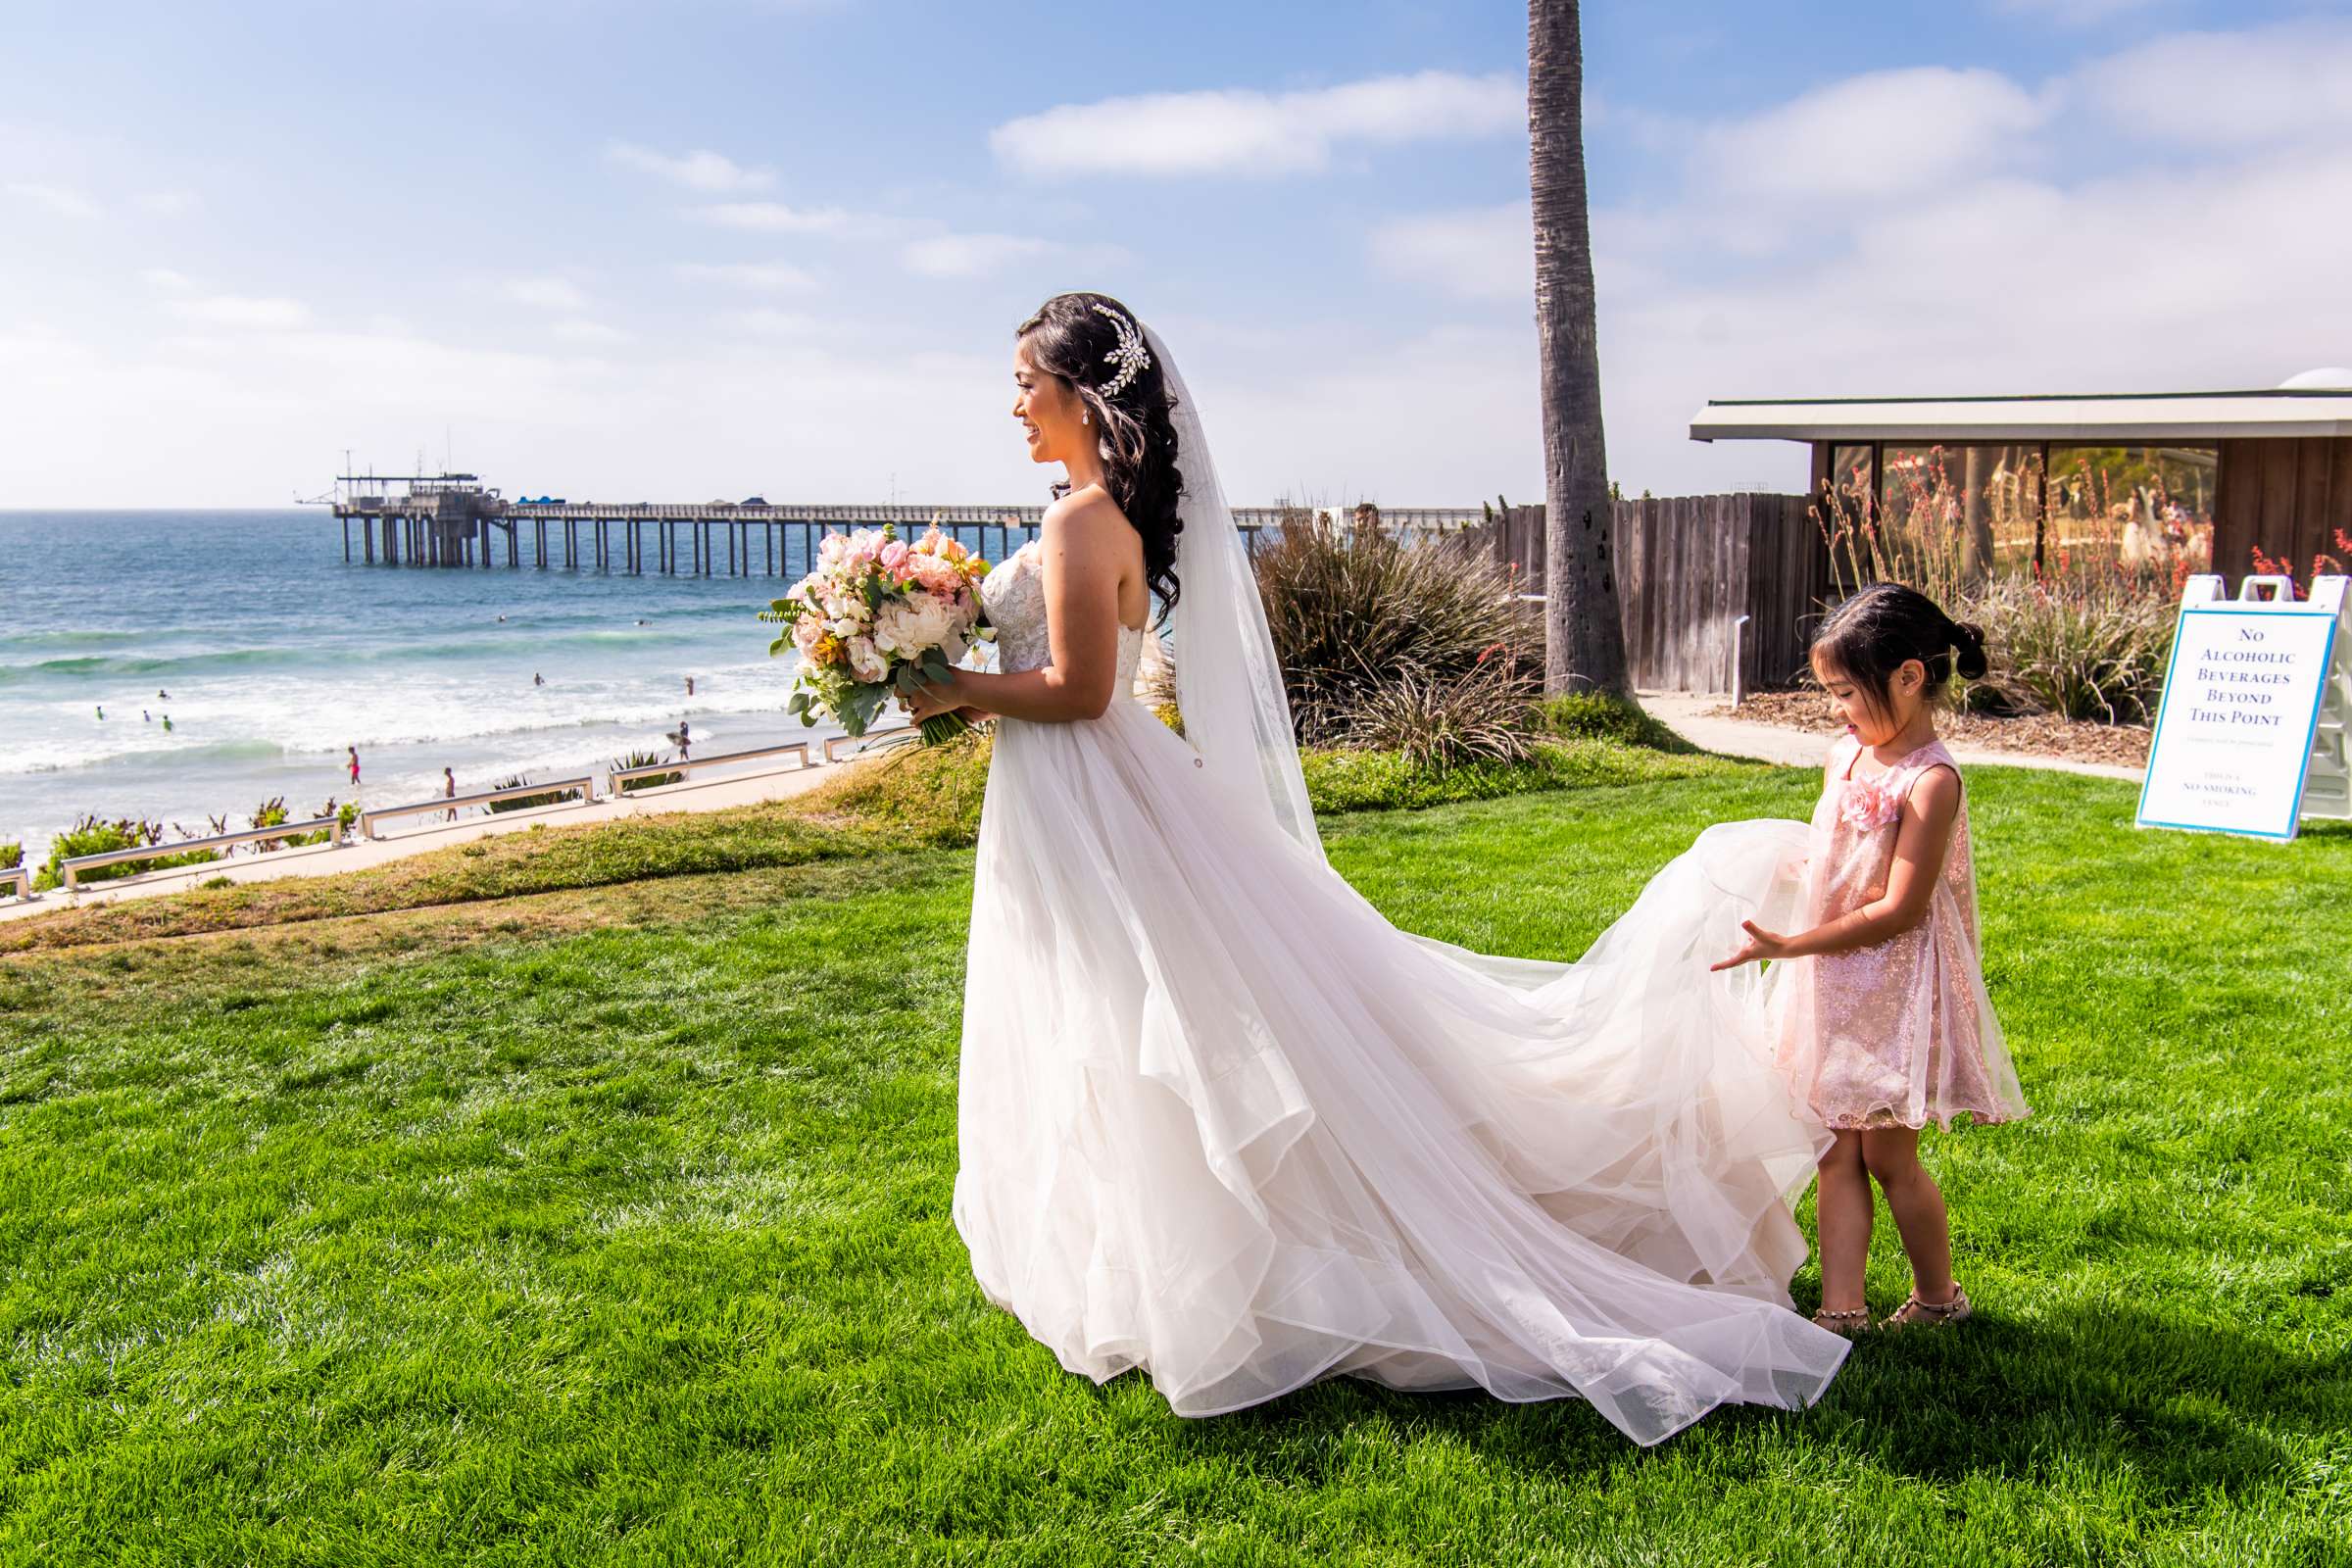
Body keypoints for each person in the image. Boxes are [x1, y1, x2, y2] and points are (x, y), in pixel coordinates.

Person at [904, 294, 1847, 1446]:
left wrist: (952, 689)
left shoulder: (1081, 522)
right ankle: (1136, 1257)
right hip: (1074, 792)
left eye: (1025, 385)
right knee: (1105, 1012)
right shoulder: (1097, 519)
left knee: (1122, 1011)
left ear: (1084, 395)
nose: (1012, 406)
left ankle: (1190, 1269)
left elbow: (1081, 691)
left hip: (1086, 785)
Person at [1714, 585, 2028, 1332]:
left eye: (1848, 693)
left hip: (1894, 986)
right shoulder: (1844, 758)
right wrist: (1779, 874)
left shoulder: (1931, 782)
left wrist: (1793, 944)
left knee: (1889, 1158)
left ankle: (1937, 1299)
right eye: (1832, 694)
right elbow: (1833, 860)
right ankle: (1842, 1309)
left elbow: (1899, 909)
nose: (1838, 710)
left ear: (1910, 677)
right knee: (1833, 1150)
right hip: (1831, 982)